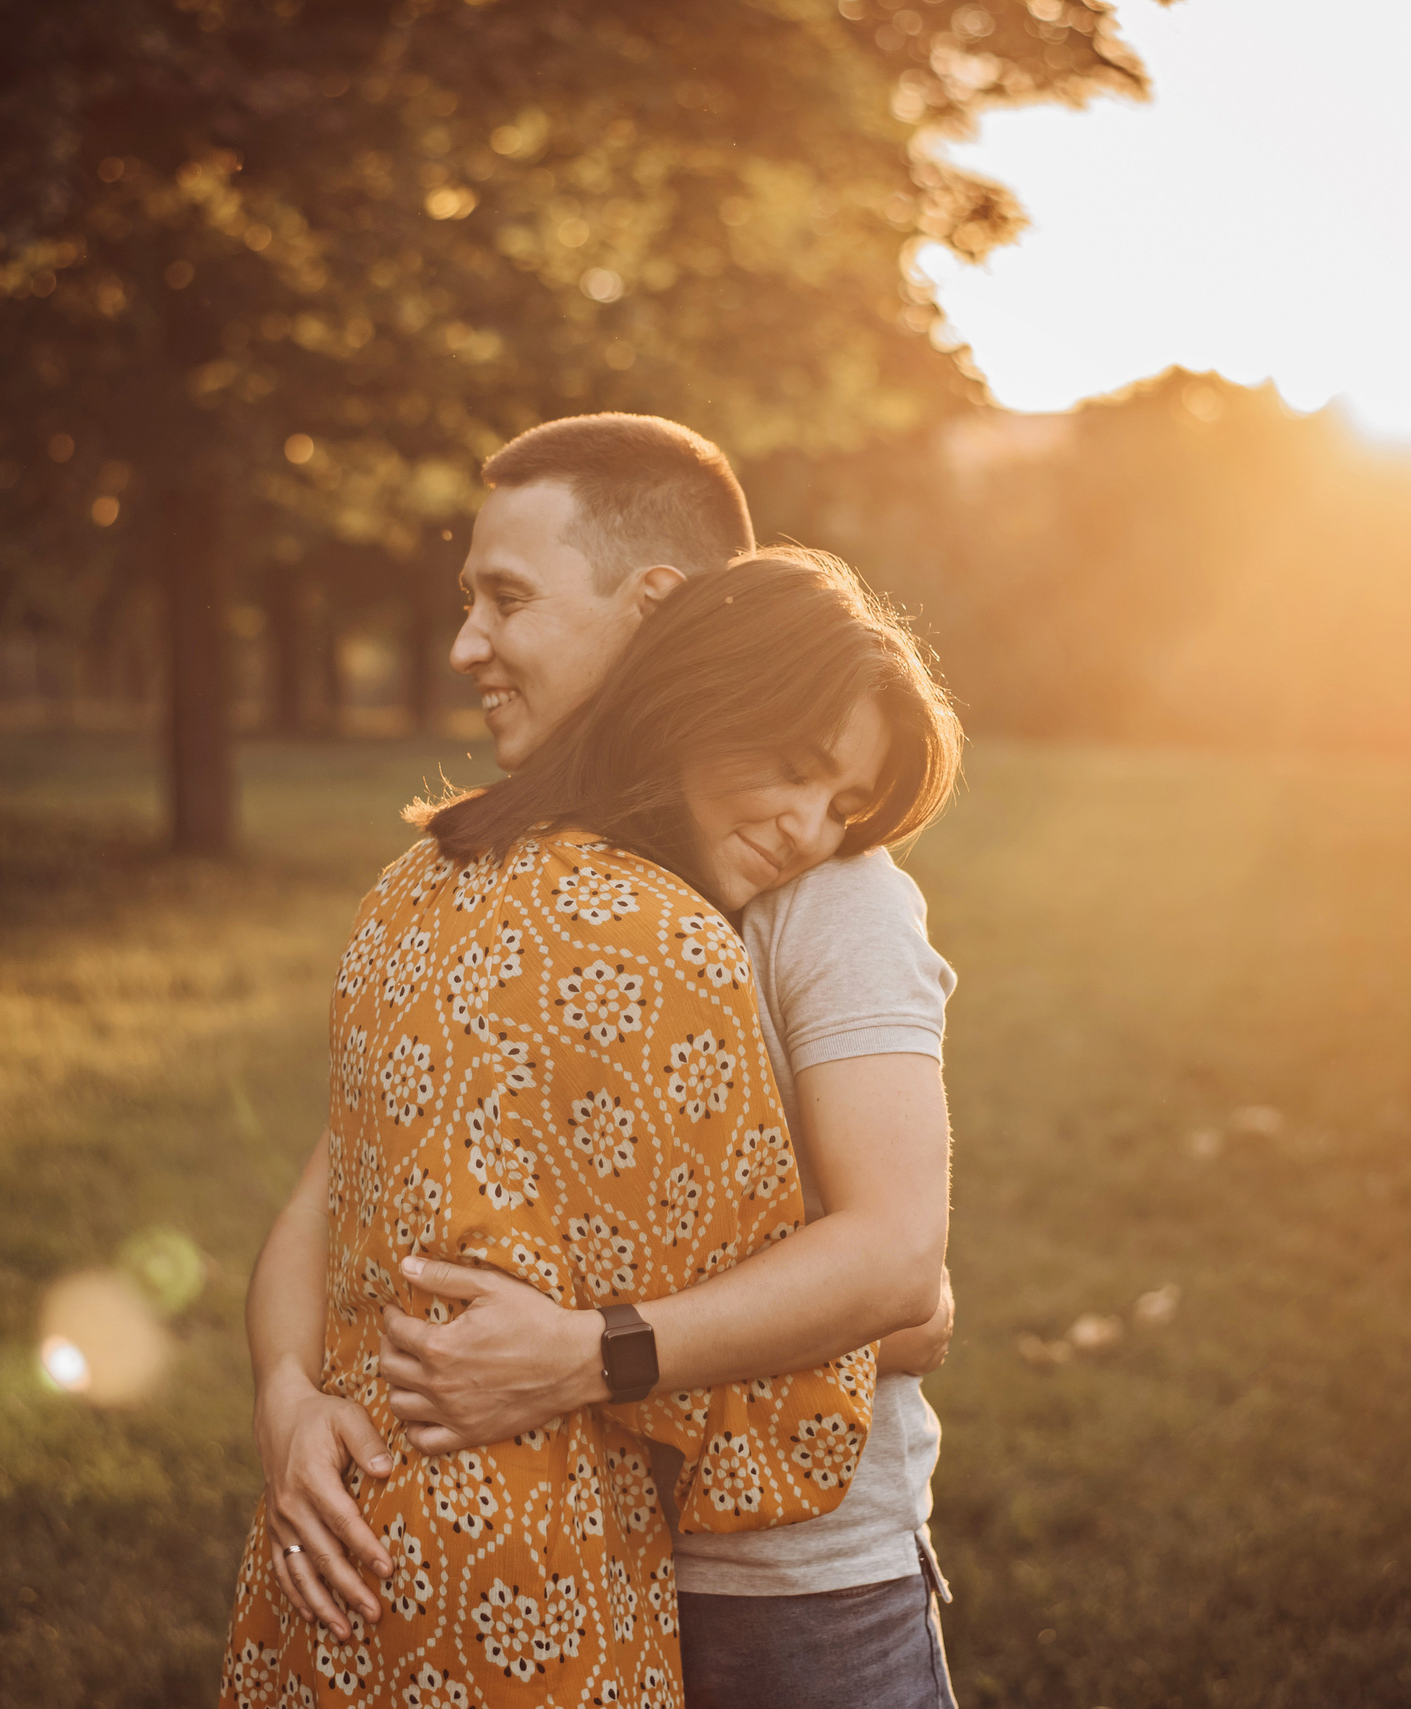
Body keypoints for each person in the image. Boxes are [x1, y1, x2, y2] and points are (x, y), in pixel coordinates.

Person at [244, 415, 965, 1707]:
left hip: (787, 1582)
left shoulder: (829, 902)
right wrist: (290, 1399)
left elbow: (908, 1287)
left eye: (508, 600)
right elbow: (346, 1179)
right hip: (578, 1549)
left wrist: (590, 1349)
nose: (471, 645)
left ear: (657, 615)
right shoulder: (512, 894)